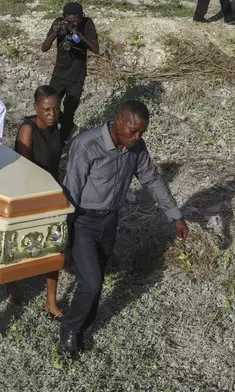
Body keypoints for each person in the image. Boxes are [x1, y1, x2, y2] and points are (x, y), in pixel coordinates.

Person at [59, 100, 190, 357]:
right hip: (83, 220)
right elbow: (70, 190)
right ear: (119, 119)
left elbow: (151, 179)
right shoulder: (87, 145)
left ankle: (84, 327)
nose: (137, 137)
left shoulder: (136, 146)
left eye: (142, 132)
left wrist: (175, 216)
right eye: (133, 130)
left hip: (110, 221)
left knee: (96, 278)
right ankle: (69, 329)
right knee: (92, 281)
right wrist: (65, 234)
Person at [13, 85, 66, 320]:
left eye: (55, 108)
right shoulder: (28, 130)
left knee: (55, 247)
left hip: (52, 193)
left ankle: (50, 301)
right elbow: (26, 171)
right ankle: (12, 284)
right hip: (30, 194)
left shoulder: (57, 127)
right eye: (46, 109)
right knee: (20, 246)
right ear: (36, 108)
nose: (52, 113)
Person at [41, 2, 98, 142]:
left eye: (75, 21)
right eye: (69, 20)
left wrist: (80, 35)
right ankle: (56, 134)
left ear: (81, 17)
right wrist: (55, 33)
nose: (72, 23)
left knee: (69, 112)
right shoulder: (59, 23)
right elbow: (44, 47)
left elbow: (96, 49)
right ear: (64, 17)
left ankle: (59, 143)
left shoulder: (87, 23)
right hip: (59, 74)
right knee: (50, 106)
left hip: (76, 77)